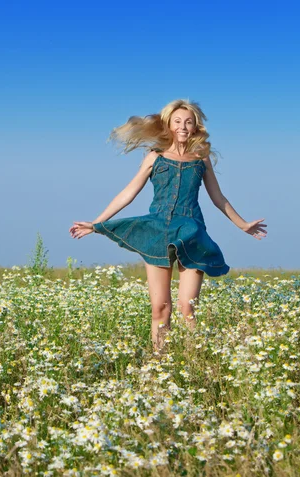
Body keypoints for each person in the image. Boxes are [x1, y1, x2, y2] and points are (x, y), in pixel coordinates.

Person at [70, 99, 267, 351]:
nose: (183, 126)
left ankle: (196, 361)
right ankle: (159, 363)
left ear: (195, 127)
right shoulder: (155, 157)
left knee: (188, 307)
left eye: (188, 122)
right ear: (169, 125)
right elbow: (128, 193)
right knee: (160, 308)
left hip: (192, 233)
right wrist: (96, 224)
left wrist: (243, 225)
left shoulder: (201, 159)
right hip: (158, 231)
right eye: (178, 121)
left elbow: (218, 198)